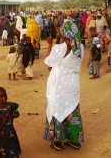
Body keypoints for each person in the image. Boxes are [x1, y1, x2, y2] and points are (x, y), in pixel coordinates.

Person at [44, 20, 84, 151]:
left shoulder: (59, 48)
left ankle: (58, 142)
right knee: (72, 109)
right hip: (72, 85)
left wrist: (50, 44)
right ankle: (74, 141)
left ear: (63, 32)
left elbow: (49, 64)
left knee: (57, 109)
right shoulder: (80, 48)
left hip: (59, 86)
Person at [0, 87, 21, 158]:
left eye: (5, 95)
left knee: (11, 143)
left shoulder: (11, 105)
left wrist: (11, 116)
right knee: (1, 144)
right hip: (0, 132)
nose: (4, 98)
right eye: (1, 97)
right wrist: (0, 116)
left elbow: (17, 113)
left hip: (10, 130)